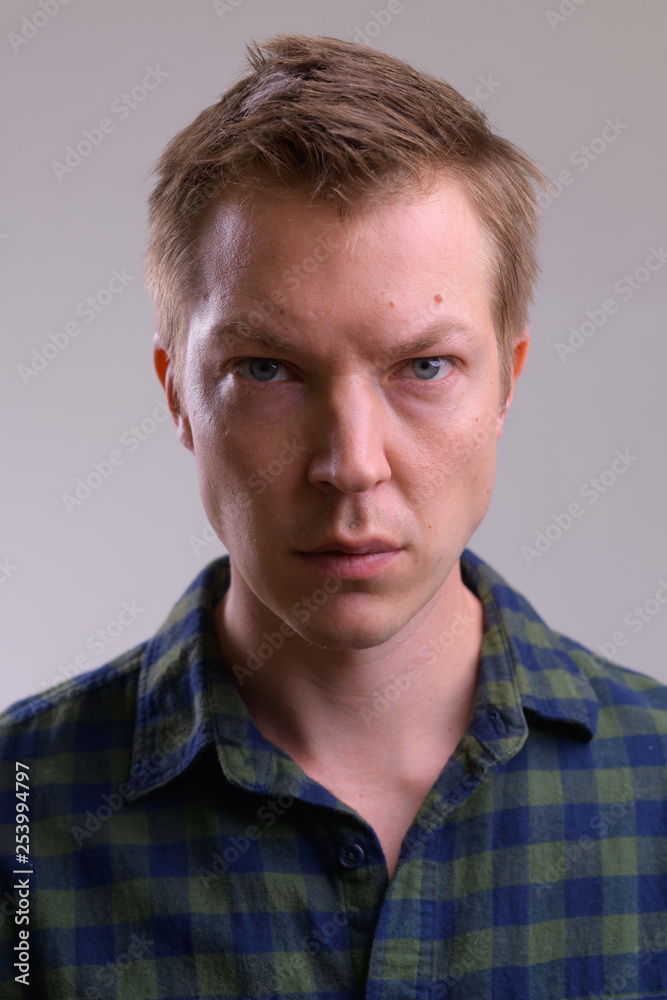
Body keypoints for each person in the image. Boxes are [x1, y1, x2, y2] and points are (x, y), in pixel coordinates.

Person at [2, 31, 666, 1000]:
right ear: (178, 395)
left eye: (423, 366)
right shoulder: (19, 815)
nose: (351, 464)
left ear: (506, 384)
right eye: (267, 369)